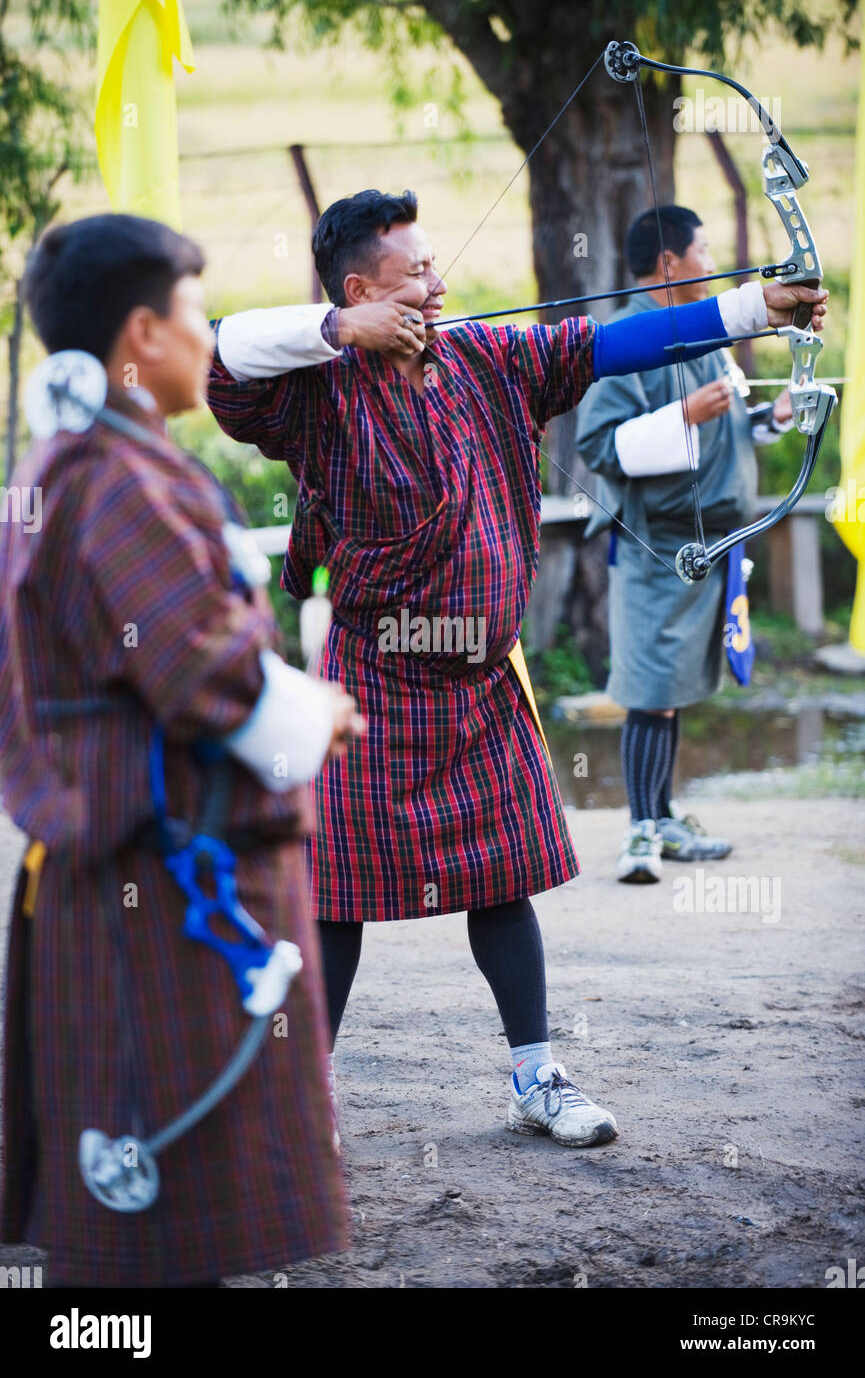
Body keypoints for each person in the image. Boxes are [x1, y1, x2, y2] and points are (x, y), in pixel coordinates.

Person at [207, 188, 826, 1147]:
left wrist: (754, 310)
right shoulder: (309, 394)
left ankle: (536, 1076)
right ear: (363, 289)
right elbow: (220, 350)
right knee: (336, 897)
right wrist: (339, 329)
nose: (440, 283)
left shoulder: (487, 358)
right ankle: (302, 1095)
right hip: (375, 679)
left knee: (502, 883)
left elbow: (613, 345)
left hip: (482, 676)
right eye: (416, 273)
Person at [0, 213, 364, 1287]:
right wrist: (318, 715)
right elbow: (202, 673)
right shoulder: (115, 480)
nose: (211, 342)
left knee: (142, 1205)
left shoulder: (74, 460)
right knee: (156, 1212)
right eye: (196, 317)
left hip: (132, 861)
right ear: (141, 334)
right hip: (161, 873)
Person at [576, 206, 801, 884]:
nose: (713, 260)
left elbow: (719, 432)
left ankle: (663, 816)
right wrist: (680, 413)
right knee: (650, 689)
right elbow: (597, 445)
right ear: (669, 262)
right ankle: (642, 832)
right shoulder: (628, 335)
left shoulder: (703, 330)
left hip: (702, 545)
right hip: (655, 545)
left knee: (668, 689)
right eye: (703, 249)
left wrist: (772, 418)